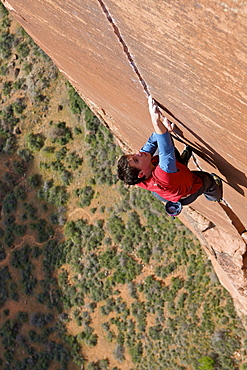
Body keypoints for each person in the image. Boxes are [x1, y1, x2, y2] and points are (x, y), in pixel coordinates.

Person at [117, 96, 222, 215]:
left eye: (133, 154)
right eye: (136, 159)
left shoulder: (137, 174)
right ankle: (215, 196)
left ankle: (180, 163)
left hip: (165, 189)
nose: (138, 153)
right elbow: (166, 149)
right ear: (141, 174)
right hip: (186, 191)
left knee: (160, 146)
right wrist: (156, 121)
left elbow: (154, 140)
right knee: (208, 180)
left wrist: (164, 128)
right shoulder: (164, 175)